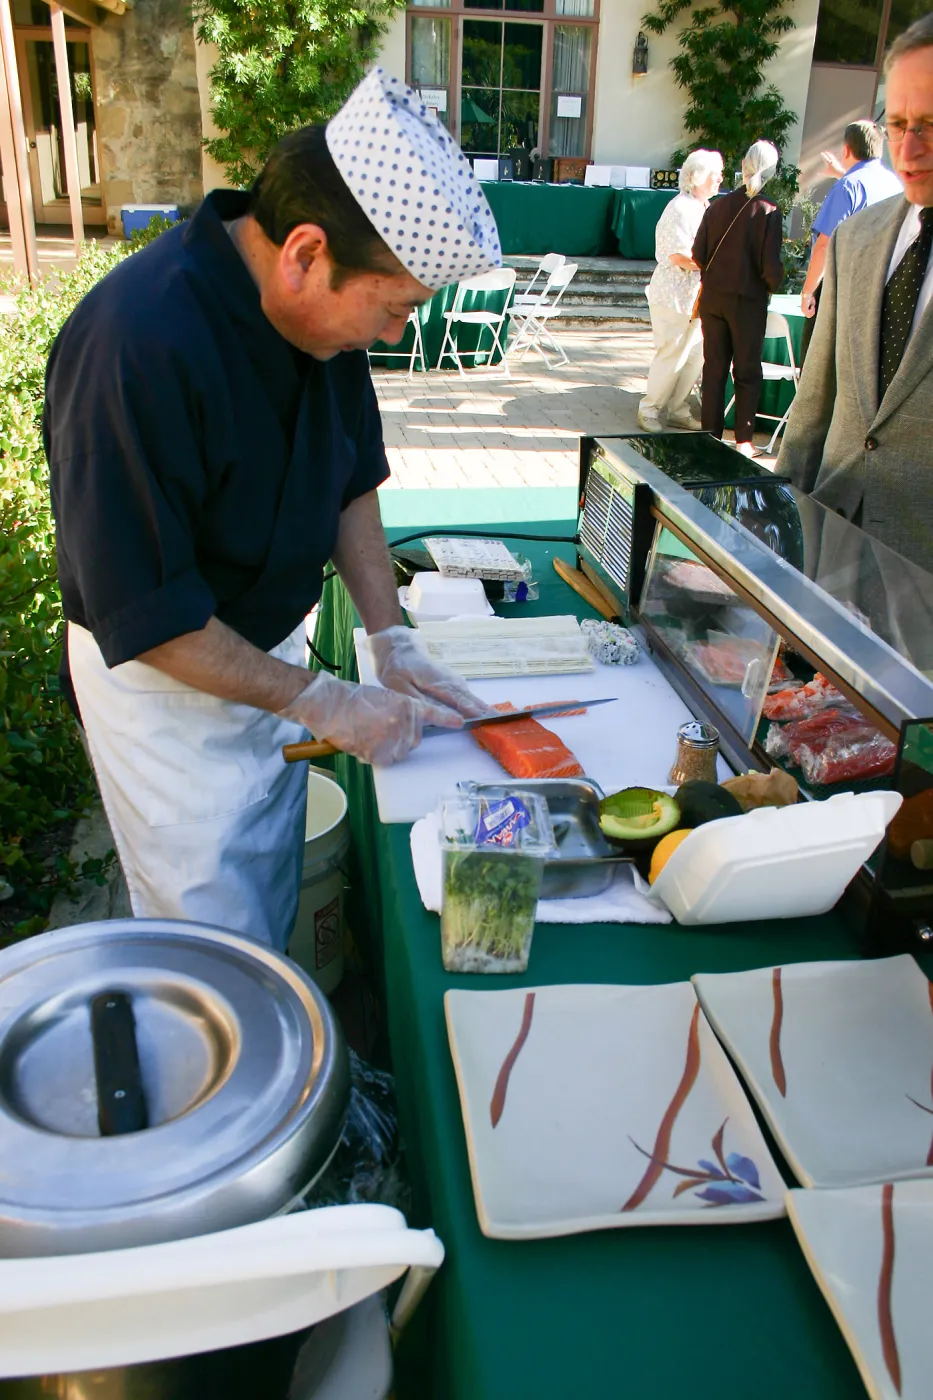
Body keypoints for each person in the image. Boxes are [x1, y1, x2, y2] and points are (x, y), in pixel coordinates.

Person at [44, 68, 502, 950]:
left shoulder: (322, 325)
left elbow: (350, 478)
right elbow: (149, 610)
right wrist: (319, 699)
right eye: (395, 308)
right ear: (304, 254)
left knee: (272, 890)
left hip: (271, 659)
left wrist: (389, 637)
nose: (396, 333)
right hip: (168, 693)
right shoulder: (135, 344)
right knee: (210, 937)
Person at [777, 13, 933, 575]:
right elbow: (813, 406)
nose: (909, 150)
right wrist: (773, 532)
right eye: (899, 124)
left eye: (930, 124)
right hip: (831, 558)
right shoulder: (856, 238)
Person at [692, 140, 785, 456]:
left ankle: (709, 437)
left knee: (714, 369)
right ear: (772, 171)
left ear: (743, 166)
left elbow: (698, 254)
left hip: (713, 298)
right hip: (747, 301)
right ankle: (744, 440)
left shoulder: (717, 206)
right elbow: (770, 267)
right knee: (746, 371)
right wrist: (774, 283)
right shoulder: (769, 211)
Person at [638, 149, 724, 433]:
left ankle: (677, 409)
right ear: (697, 177)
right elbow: (678, 255)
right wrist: (715, 262)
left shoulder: (704, 206)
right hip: (673, 296)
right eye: (715, 174)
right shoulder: (680, 208)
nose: (720, 179)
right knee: (671, 354)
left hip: (697, 297)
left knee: (696, 355)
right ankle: (649, 410)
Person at [799, 120, 902, 343]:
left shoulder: (847, 187)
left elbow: (826, 244)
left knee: (817, 358)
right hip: (881, 289)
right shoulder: (896, 185)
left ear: (846, 150)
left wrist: (808, 292)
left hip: (841, 289)